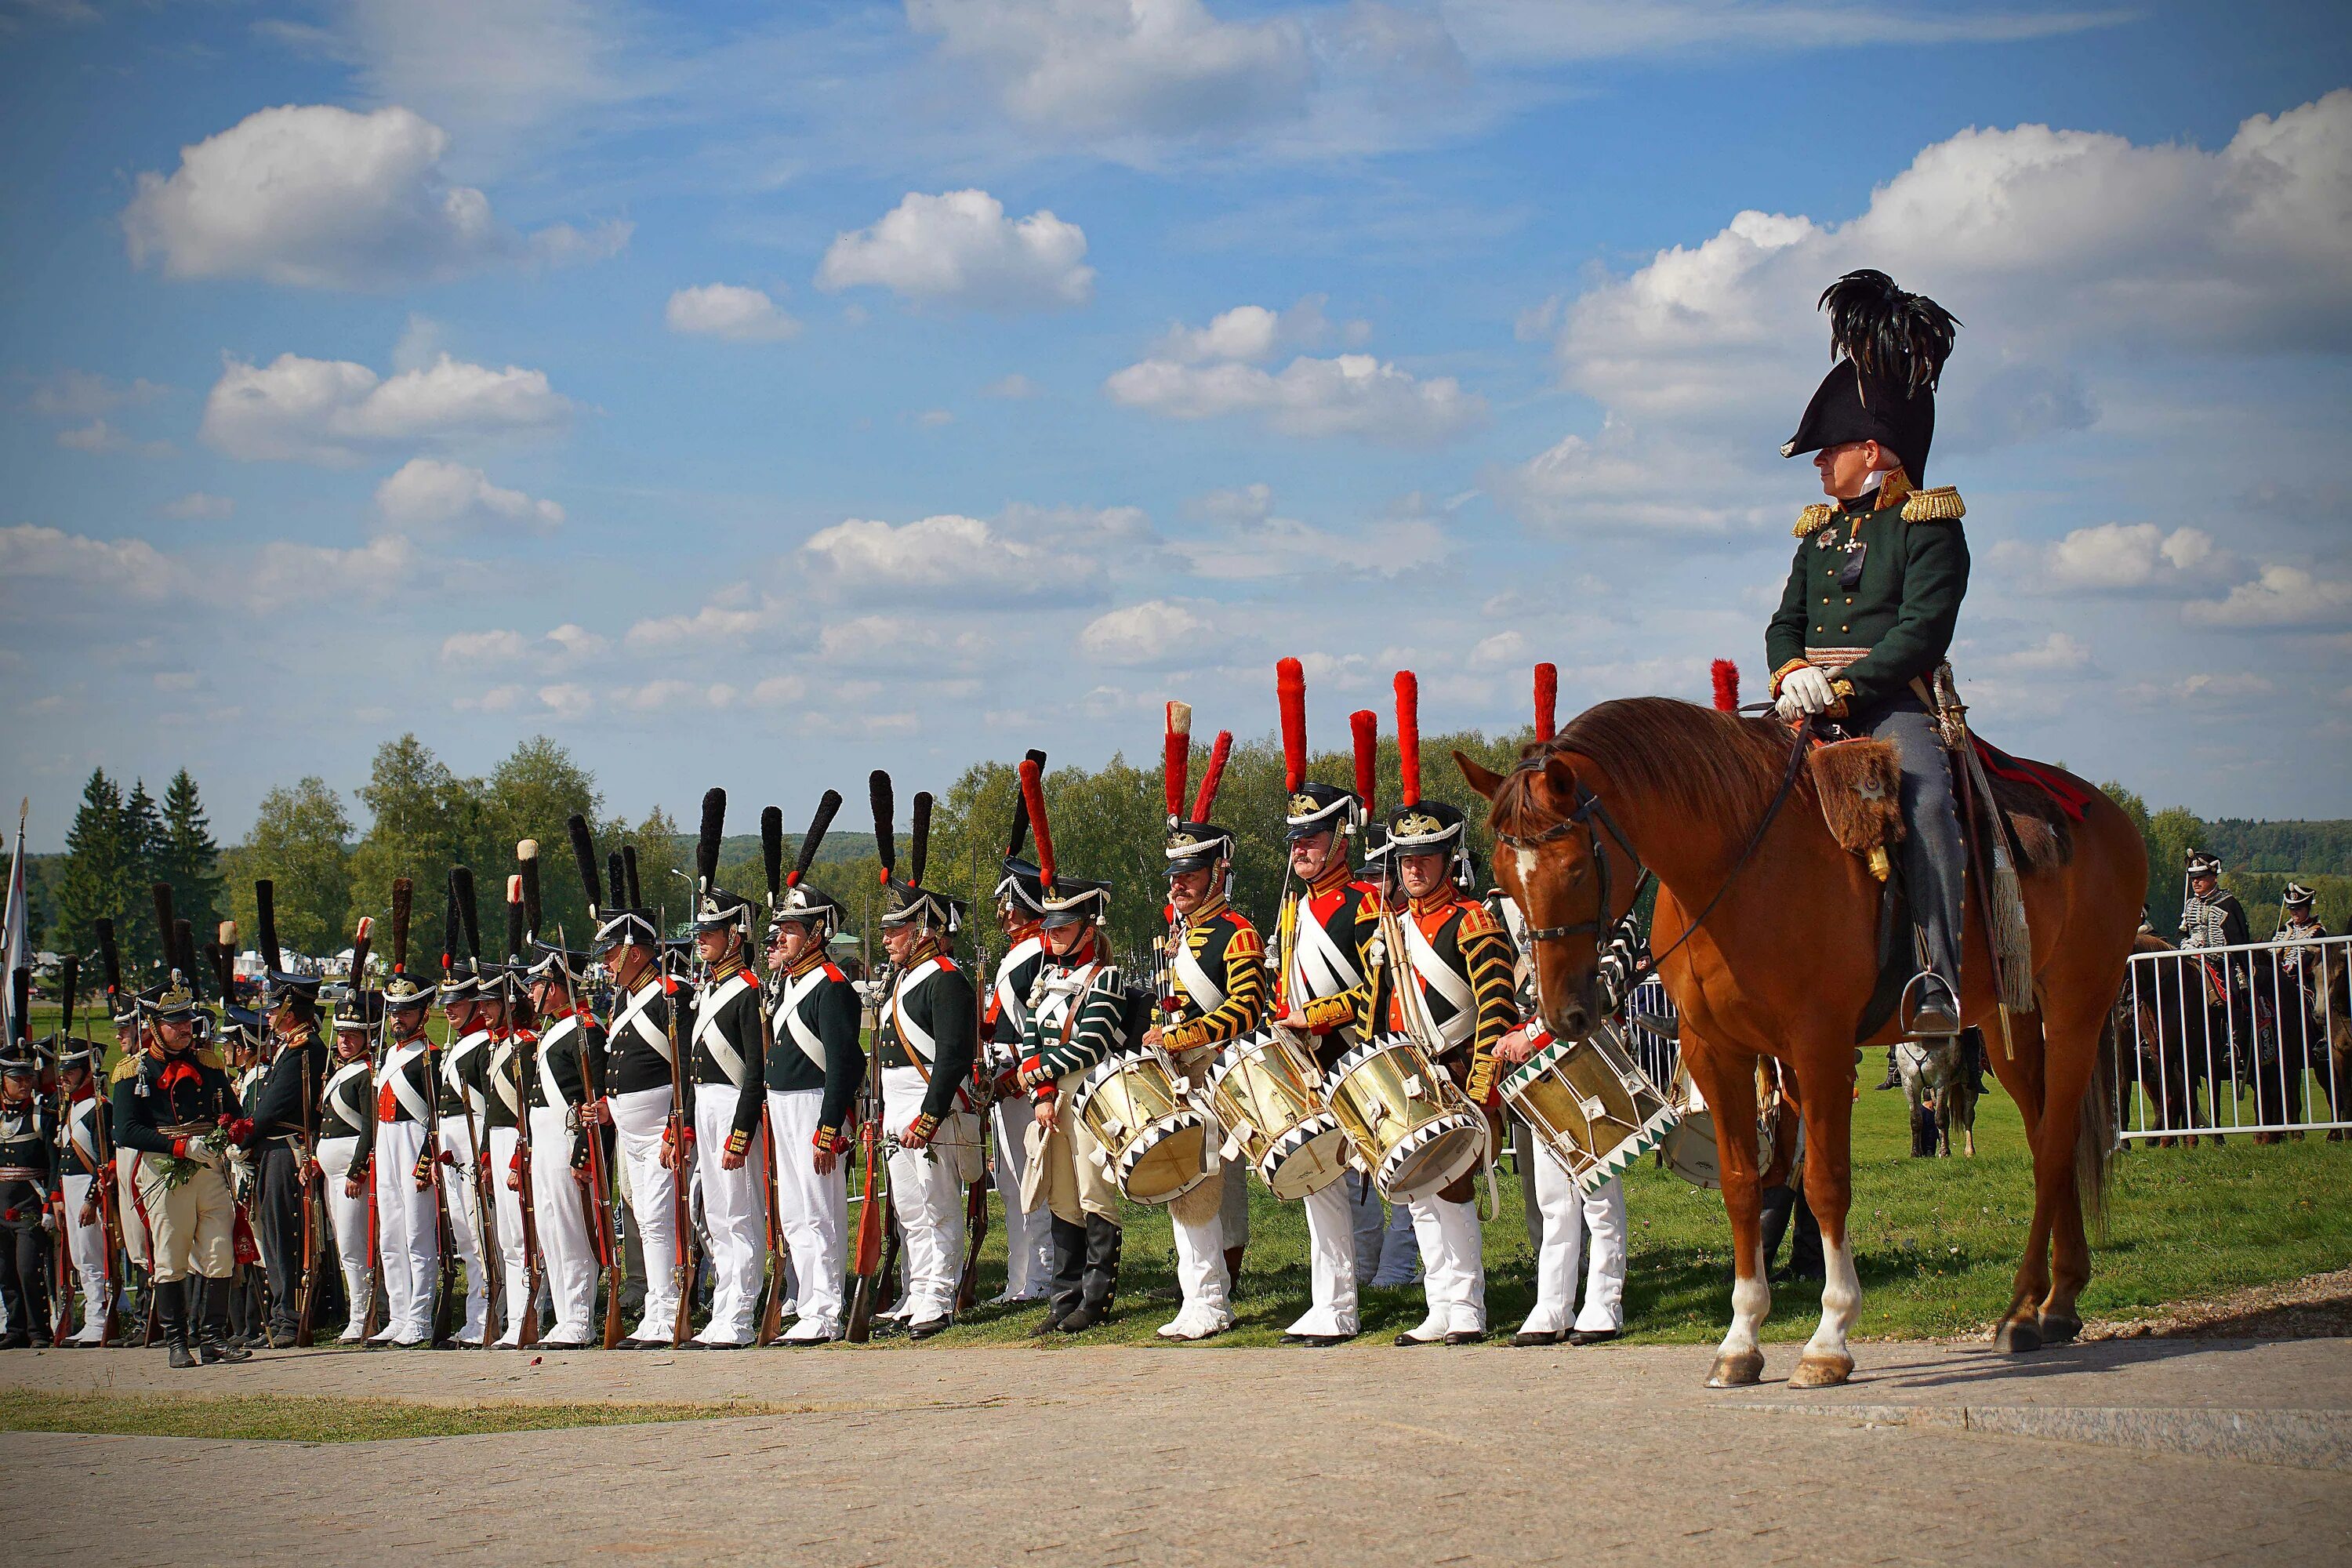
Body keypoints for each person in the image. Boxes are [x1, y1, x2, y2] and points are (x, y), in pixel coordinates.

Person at [1767, 268, 1969, 1039]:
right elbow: (1783, 623)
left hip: (1894, 709)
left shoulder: (1928, 526)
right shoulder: (1819, 532)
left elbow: (1921, 634)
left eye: (1830, 448)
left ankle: (1935, 979)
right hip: (1806, 703)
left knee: (1922, 803)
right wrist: (1794, 675)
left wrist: (1839, 688)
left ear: (1874, 448)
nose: (1819, 463)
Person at [1371, 672, 1515, 1345]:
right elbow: (1381, 1013)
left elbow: (1495, 1006)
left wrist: (1480, 1082)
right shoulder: (1394, 928)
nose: (1414, 870)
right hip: (1409, 1077)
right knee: (1419, 1194)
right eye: (1406, 858)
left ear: (1449, 858)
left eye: (1426, 858)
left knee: (1453, 1193)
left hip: (1458, 1071)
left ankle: (1468, 1309)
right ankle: (1440, 1304)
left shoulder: (1474, 921)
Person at [1267, 662, 1381, 1345]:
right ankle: (1333, 1304)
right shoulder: (1293, 911)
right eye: (1296, 839)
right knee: (1321, 1187)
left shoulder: (1366, 906)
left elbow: (1374, 990)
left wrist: (1312, 1020)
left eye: (1313, 838)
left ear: (1342, 837)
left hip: (1352, 1056)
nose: (1301, 850)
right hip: (1308, 1064)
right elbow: (1286, 987)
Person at [1151, 804, 1265, 1341]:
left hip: (1221, 1076)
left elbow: (1246, 1009)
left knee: (1203, 1189)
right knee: (1182, 1187)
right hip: (1181, 1079)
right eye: (1175, 877)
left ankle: (1211, 1299)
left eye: (1190, 876)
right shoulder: (1181, 939)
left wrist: (1179, 1037)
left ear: (1217, 873)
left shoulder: (1237, 934)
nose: (1179, 887)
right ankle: (1198, 1294)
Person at [871, 813, 981, 1341]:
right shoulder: (907, 978)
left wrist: (930, 1116)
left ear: (925, 932)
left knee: (938, 1207)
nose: (887, 938)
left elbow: (954, 1056)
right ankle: (917, 1292)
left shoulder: (946, 980)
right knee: (911, 1212)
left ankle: (939, 1297)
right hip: (898, 1107)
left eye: (897, 929)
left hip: (929, 1109)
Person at [1014, 862, 1127, 1334]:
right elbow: (1032, 1039)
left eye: (1063, 926)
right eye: (1050, 925)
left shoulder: (1107, 978)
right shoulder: (1045, 979)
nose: (1053, 934)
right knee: (1062, 1198)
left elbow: (1092, 1044)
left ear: (1087, 928)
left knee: (1093, 1193)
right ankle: (1065, 1297)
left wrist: (1034, 1072)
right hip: (1054, 1101)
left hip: (1091, 1096)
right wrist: (1041, 1092)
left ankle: (1097, 1299)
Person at [115, 976, 250, 1369]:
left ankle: (212, 1339)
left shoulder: (206, 1063)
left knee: (219, 1253)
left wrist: (230, 1138)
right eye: (173, 1022)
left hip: (209, 1167)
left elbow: (232, 1112)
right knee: (171, 1258)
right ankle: (177, 1342)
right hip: (164, 1169)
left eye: (187, 1021)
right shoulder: (131, 1071)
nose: (184, 1029)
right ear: (154, 1025)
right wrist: (179, 1146)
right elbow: (125, 1130)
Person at [761, 880, 866, 1344]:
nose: (779, 937)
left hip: (814, 1105)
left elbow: (844, 1062)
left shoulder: (832, 986)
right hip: (784, 1104)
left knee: (820, 1209)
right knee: (795, 1211)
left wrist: (829, 1126)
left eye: (791, 929)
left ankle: (825, 1309)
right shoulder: (791, 983)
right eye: (780, 928)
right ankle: (808, 1301)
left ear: (817, 933)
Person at [588, 896, 682, 1348]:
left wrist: (673, 1128)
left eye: (610, 954)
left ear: (634, 951)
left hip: (661, 1131)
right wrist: (609, 1104)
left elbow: (686, 1069)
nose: (605, 965)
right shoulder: (626, 999)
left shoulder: (669, 994)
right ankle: (658, 1308)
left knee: (660, 1219)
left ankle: (669, 1311)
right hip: (631, 1132)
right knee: (645, 1219)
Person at [681, 884, 767, 1349]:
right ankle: (723, 1306)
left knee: (739, 1213)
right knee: (715, 1215)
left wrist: (741, 1130)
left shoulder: (748, 990)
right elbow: (696, 1067)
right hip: (708, 1103)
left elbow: (755, 1070)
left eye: (712, 931)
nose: (702, 938)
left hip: (734, 1106)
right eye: (702, 930)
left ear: (735, 935)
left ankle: (740, 1314)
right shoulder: (712, 988)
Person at [524, 939, 604, 1349]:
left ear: (554, 986)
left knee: (573, 1230)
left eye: (536, 985)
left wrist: (584, 1154)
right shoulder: (555, 1030)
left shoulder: (585, 1029)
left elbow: (596, 1099)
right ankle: (564, 1313)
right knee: (551, 1230)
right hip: (546, 1140)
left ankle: (579, 1318)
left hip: (569, 1141)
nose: (530, 993)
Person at [245, 962, 328, 1348]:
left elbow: (275, 1108)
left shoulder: (303, 1049)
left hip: (286, 1152)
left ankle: (291, 1317)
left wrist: (243, 1134)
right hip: (273, 1151)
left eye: (276, 1007)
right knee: (273, 1238)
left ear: (290, 1011)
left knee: (286, 1236)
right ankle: (281, 1314)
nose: (271, 1014)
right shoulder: (293, 1047)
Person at [983, 862, 1054, 1305]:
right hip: (1005, 1077)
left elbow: (1035, 1024)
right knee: (1012, 1183)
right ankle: (1020, 1278)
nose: (1004, 914)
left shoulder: (1040, 949)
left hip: (1028, 1079)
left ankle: (1043, 1276)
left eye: (1011, 905)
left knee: (1036, 1180)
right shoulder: (1018, 951)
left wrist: (1014, 1067)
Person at [370, 973, 441, 1349]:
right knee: (390, 1236)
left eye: (407, 1012)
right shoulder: (388, 1056)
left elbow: (436, 1118)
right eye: (394, 1011)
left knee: (417, 1235)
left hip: (413, 1141)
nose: (398, 1019)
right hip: (387, 1141)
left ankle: (419, 1318)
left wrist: (426, 1160)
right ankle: (398, 1316)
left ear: (423, 1015)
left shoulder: (430, 1057)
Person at [316, 989, 379, 1345]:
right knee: (345, 1245)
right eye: (341, 1034)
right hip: (331, 1172)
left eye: (353, 1035)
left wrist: (357, 1170)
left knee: (356, 1246)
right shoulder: (341, 1074)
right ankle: (360, 1310)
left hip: (352, 1175)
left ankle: (363, 1315)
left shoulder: (364, 1075)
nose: (344, 1041)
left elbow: (369, 1127)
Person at [54, 1036, 114, 1345]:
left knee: (92, 1255)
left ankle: (99, 1319)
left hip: (89, 1191)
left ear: (89, 1071)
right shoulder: (73, 1107)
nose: (63, 1077)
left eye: (72, 1070)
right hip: (71, 1188)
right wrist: (57, 1198)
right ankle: (97, 1314)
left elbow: (106, 1161)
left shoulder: (99, 1108)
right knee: (80, 1256)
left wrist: (92, 1199)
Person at [0, 1040, 60, 1348]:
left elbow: (54, 1166)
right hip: (1, 1207)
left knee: (28, 1270)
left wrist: (50, 1207)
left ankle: (39, 1330)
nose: (24, 1084)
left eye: (28, 1078)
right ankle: (16, 1329)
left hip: (30, 1206)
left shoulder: (43, 1117)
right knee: (6, 1272)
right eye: (16, 1079)